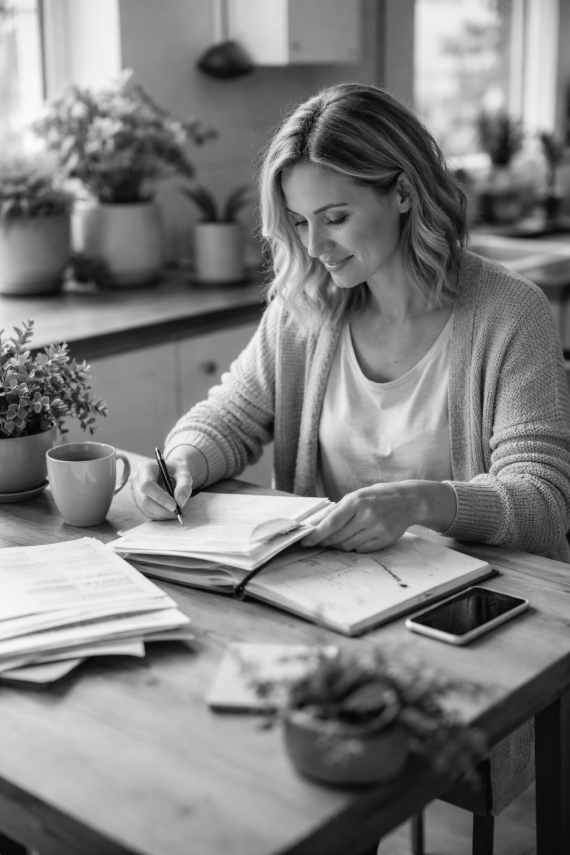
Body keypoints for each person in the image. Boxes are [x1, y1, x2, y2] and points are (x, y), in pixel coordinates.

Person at [130, 81, 570, 567]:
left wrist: (419, 502)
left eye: (335, 218)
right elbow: (231, 417)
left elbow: (543, 500)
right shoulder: (306, 306)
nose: (314, 246)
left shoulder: (510, 313)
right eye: (300, 221)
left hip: (485, 593)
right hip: (339, 587)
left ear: (403, 193)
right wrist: (181, 462)